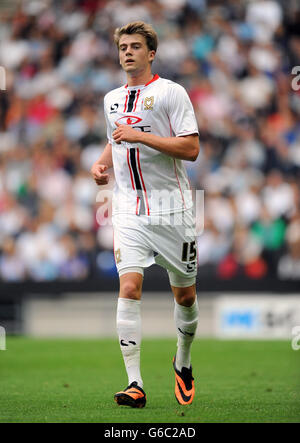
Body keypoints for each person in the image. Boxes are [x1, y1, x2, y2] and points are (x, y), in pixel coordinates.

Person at [91, 21, 200, 408]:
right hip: (129, 210)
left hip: (176, 210)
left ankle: (182, 360)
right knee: (129, 288)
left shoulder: (172, 93)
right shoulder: (111, 100)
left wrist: (141, 136)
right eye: (123, 46)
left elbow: (190, 149)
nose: (128, 52)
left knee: (185, 296)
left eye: (136, 46)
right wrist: (102, 163)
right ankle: (134, 383)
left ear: (150, 53)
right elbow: (114, 138)